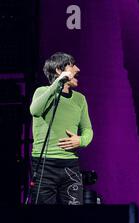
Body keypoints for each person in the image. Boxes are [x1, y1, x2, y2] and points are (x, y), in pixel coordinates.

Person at [29, 52, 93, 205]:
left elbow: (88, 129)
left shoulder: (80, 99)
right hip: (44, 163)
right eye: (72, 65)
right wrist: (57, 83)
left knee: (73, 219)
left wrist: (82, 140)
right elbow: (35, 110)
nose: (77, 69)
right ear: (59, 70)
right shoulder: (42, 92)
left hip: (70, 165)